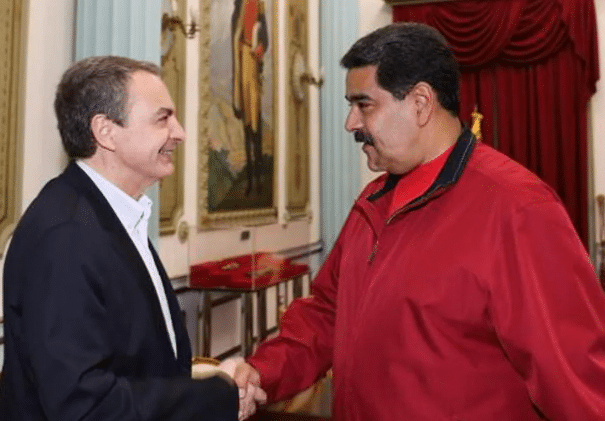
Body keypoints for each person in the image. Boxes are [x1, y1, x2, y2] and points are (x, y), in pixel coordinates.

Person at [233, 22, 605, 420]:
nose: (351, 123)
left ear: (421, 103)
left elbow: (577, 383)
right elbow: (327, 314)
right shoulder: (370, 202)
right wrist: (262, 371)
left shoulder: (518, 209)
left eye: (364, 104)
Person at [0, 56, 238, 420]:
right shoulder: (65, 235)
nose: (180, 132)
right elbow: (85, 405)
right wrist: (217, 396)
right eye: (163, 118)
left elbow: (134, 359)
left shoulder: (109, 214)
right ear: (105, 131)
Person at [231, 0, 268, 196]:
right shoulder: (238, 8)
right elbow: (235, 37)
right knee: (246, 125)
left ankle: (259, 178)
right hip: (241, 67)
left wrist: (258, 50)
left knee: (256, 125)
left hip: (253, 66)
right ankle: (251, 179)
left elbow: (265, 38)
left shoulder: (258, 5)